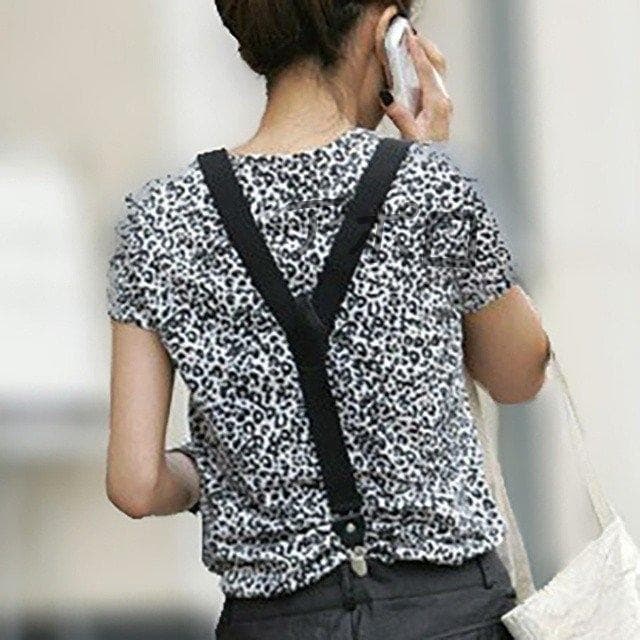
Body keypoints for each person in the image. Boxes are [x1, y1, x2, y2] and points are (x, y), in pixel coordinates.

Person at [105, 0, 550, 638]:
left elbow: (135, 484)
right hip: (444, 613)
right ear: (385, 31)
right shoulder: (429, 188)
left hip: (276, 622)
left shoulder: (159, 219)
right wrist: (431, 155)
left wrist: (221, 467)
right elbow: (519, 373)